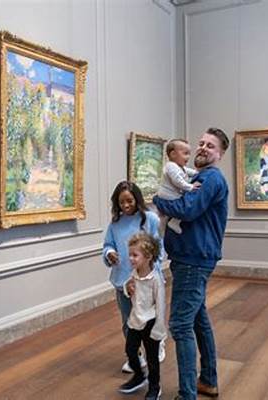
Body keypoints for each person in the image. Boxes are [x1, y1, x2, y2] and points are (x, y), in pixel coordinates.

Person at [152, 127, 230, 400]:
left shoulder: (210, 179)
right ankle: (207, 381)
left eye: (211, 146)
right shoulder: (199, 177)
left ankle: (187, 394)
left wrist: (157, 200)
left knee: (180, 325)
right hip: (193, 258)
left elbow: (187, 209)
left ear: (220, 154)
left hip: (192, 260)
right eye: (201, 143)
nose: (203, 148)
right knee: (198, 319)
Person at [102, 181, 165, 374]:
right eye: (121, 202)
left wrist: (151, 270)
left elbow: (159, 248)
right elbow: (107, 245)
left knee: (149, 319)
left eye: (129, 200)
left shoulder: (150, 219)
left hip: (147, 281)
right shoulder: (115, 224)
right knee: (129, 321)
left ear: (137, 199)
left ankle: (157, 345)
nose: (126, 205)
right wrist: (109, 254)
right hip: (123, 280)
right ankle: (135, 356)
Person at [118, 232, 167, 400]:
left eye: (135, 255)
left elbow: (161, 305)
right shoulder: (134, 274)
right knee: (130, 350)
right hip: (135, 320)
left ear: (148, 257)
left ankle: (155, 387)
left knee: (152, 359)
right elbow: (129, 289)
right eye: (130, 255)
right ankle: (139, 375)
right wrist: (127, 288)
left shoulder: (156, 280)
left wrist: (159, 328)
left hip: (151, 323)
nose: (131, 258)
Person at [156, 139, 200, 235]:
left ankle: (164, 226)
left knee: (165, 217)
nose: (188, 157)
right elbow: (177, 181)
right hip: (168, 195)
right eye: (185, 153)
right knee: (182, 205)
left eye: (189, 154)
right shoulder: (171, 166)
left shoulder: (179, 166)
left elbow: (188, 171)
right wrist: (190, 187)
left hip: (170, 194)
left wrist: (198, 173)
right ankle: (174, 222)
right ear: (173, 154)